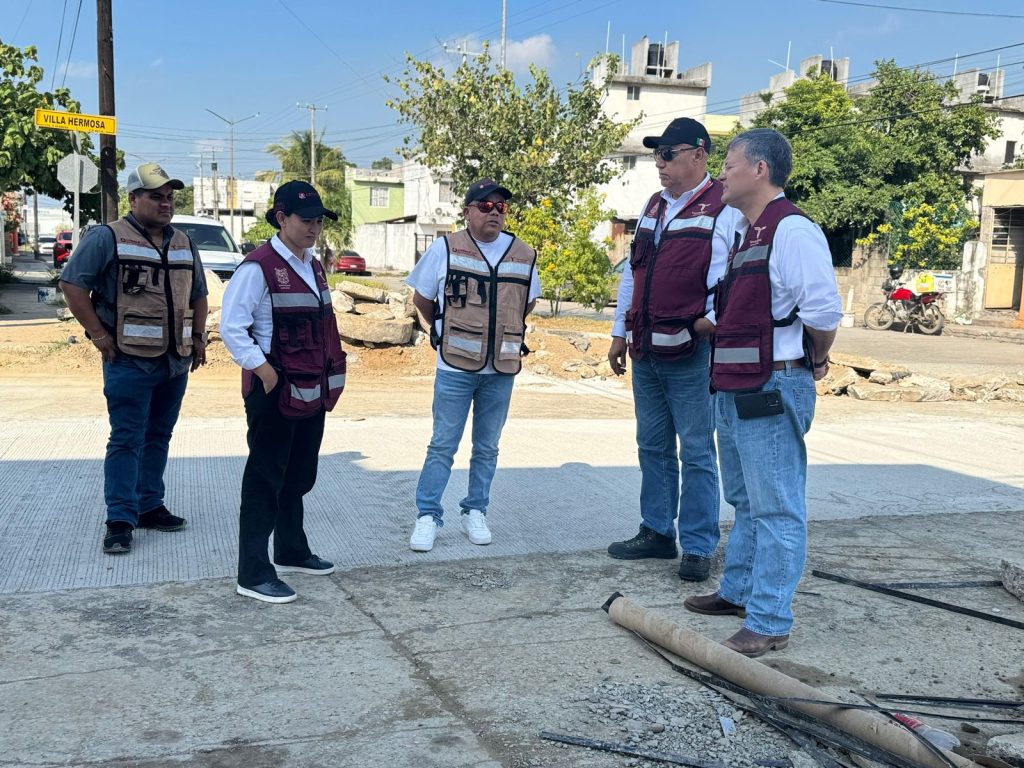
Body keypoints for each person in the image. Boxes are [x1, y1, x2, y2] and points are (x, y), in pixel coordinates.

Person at [684, 128, 842, 657]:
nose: (721, 174)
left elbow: (822, 313)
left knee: (776, 508)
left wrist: (813, 360)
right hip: (736, 383)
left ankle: (771, 619)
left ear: (759, 170)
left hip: (772, 383)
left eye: (728, 165)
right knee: (747, 500)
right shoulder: (747, 233)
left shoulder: (793, 231)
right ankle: (737, 593)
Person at [606, 118, 743, 582]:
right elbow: (632, 274)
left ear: (699, 155)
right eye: (656, 155)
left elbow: (733, 282)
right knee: (652, 446)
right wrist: (618, 332)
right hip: (645, 351)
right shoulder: (653, 206)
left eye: (668, 154)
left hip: (691, 355)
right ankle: (657, 532)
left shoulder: (723, 210)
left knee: (698, 451)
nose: (659, 164)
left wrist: (709, 324)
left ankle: (700, 545)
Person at [59, 163, 209, 555]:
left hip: (175, 361)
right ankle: (120, 518)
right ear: (133, 199)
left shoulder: (183, 242)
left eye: (170, 197)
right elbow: (72, 285)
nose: (165, 203)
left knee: (159, 436)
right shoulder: (107, 237)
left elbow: (198, 294)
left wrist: (198, 338)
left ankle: (149, 505)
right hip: (128, 360)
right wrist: (98, 333)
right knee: (127, 438)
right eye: (156, 196)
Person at [220, 181, 347, 604]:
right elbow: (232, 329)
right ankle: (253, 572)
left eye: (317, 221)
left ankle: (291, 549)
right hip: (275, 391)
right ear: (281, 218)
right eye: (305, 220)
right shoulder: (257, 267)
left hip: (311, 388)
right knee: (264, 479)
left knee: (299, 473)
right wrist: (267, 374)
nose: (313, 228)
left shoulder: (313, 265)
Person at [406, 178, 540, 552]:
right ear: (467, 211)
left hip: (501, 368)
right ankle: (427, 516)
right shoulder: (445, 248)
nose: (494, 212)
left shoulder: (523, 254)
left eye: (501, 207)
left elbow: (527, 303)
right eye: (485, 206)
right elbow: (422, 297)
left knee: (487, 447)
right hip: (455, 366)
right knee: (442, 444)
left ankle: (475, 510)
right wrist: (443, 329)